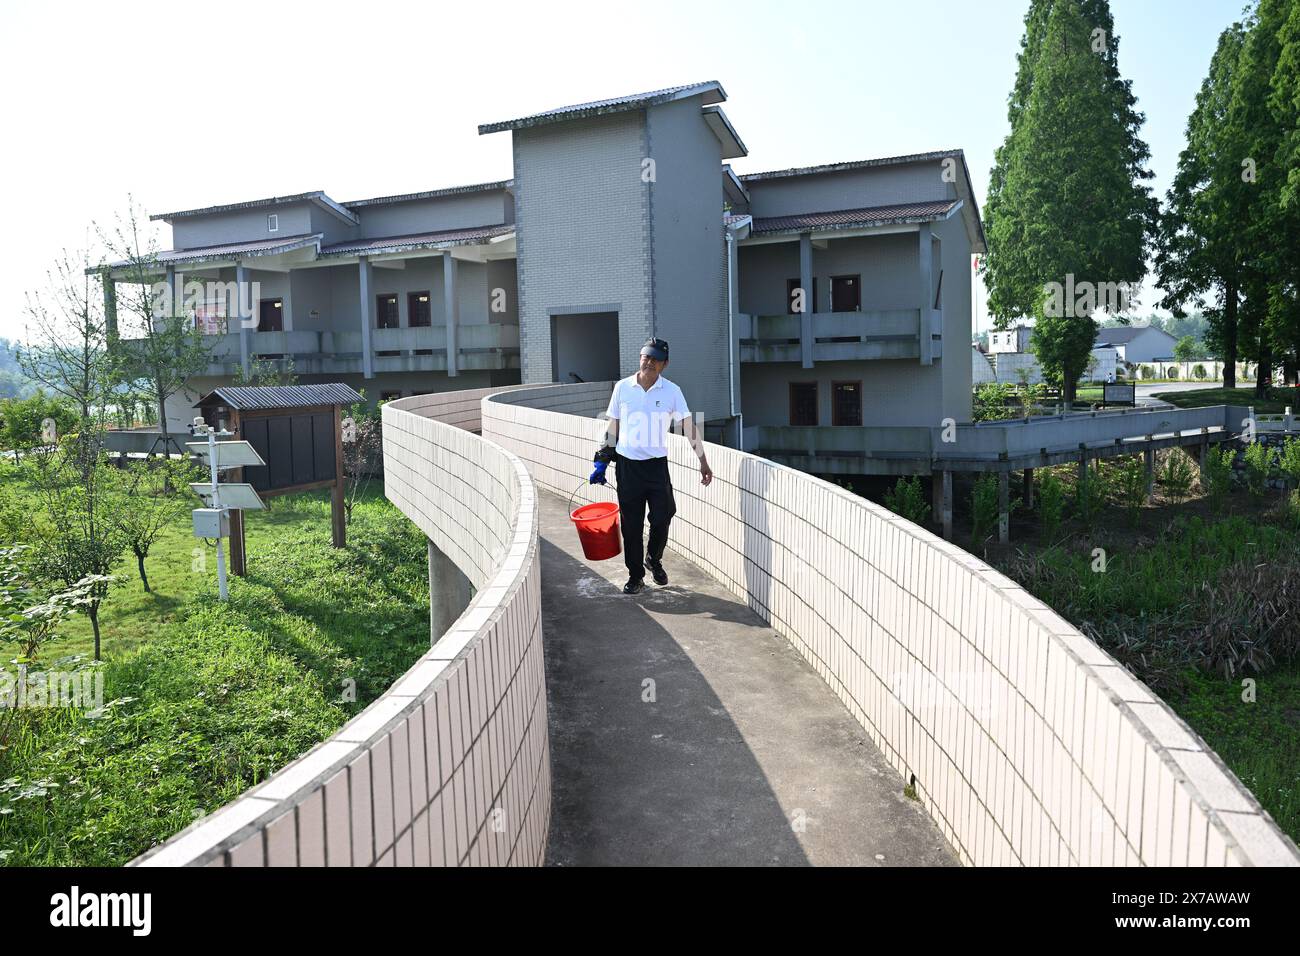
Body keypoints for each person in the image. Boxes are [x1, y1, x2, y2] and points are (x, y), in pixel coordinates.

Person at [590, 338, 712, 594]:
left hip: (656, 466)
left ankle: (653, 559)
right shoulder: (623, 388)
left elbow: (688, 426)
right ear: (640, 357)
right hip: (628, 466)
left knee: (663, 515)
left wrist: (703, 461)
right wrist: (602, 459)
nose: (649, 362)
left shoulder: (672, 391)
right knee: (631, 525)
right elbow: (613, 425)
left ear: (664, 364)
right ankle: (635, 576)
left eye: (655, 359)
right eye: (646, 357)